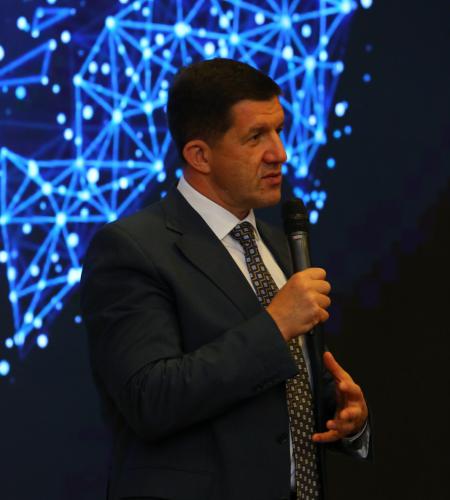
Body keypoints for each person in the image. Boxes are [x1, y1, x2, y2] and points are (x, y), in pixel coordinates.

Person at [80, 58, 370, 500]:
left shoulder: (279, 245)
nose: (280, 153)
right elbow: (149, 399)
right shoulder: (132, 249)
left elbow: (278, 392)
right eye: (256, 136)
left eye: (279, 130)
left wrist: (344, 415)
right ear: (199, 155)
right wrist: (275, 324)